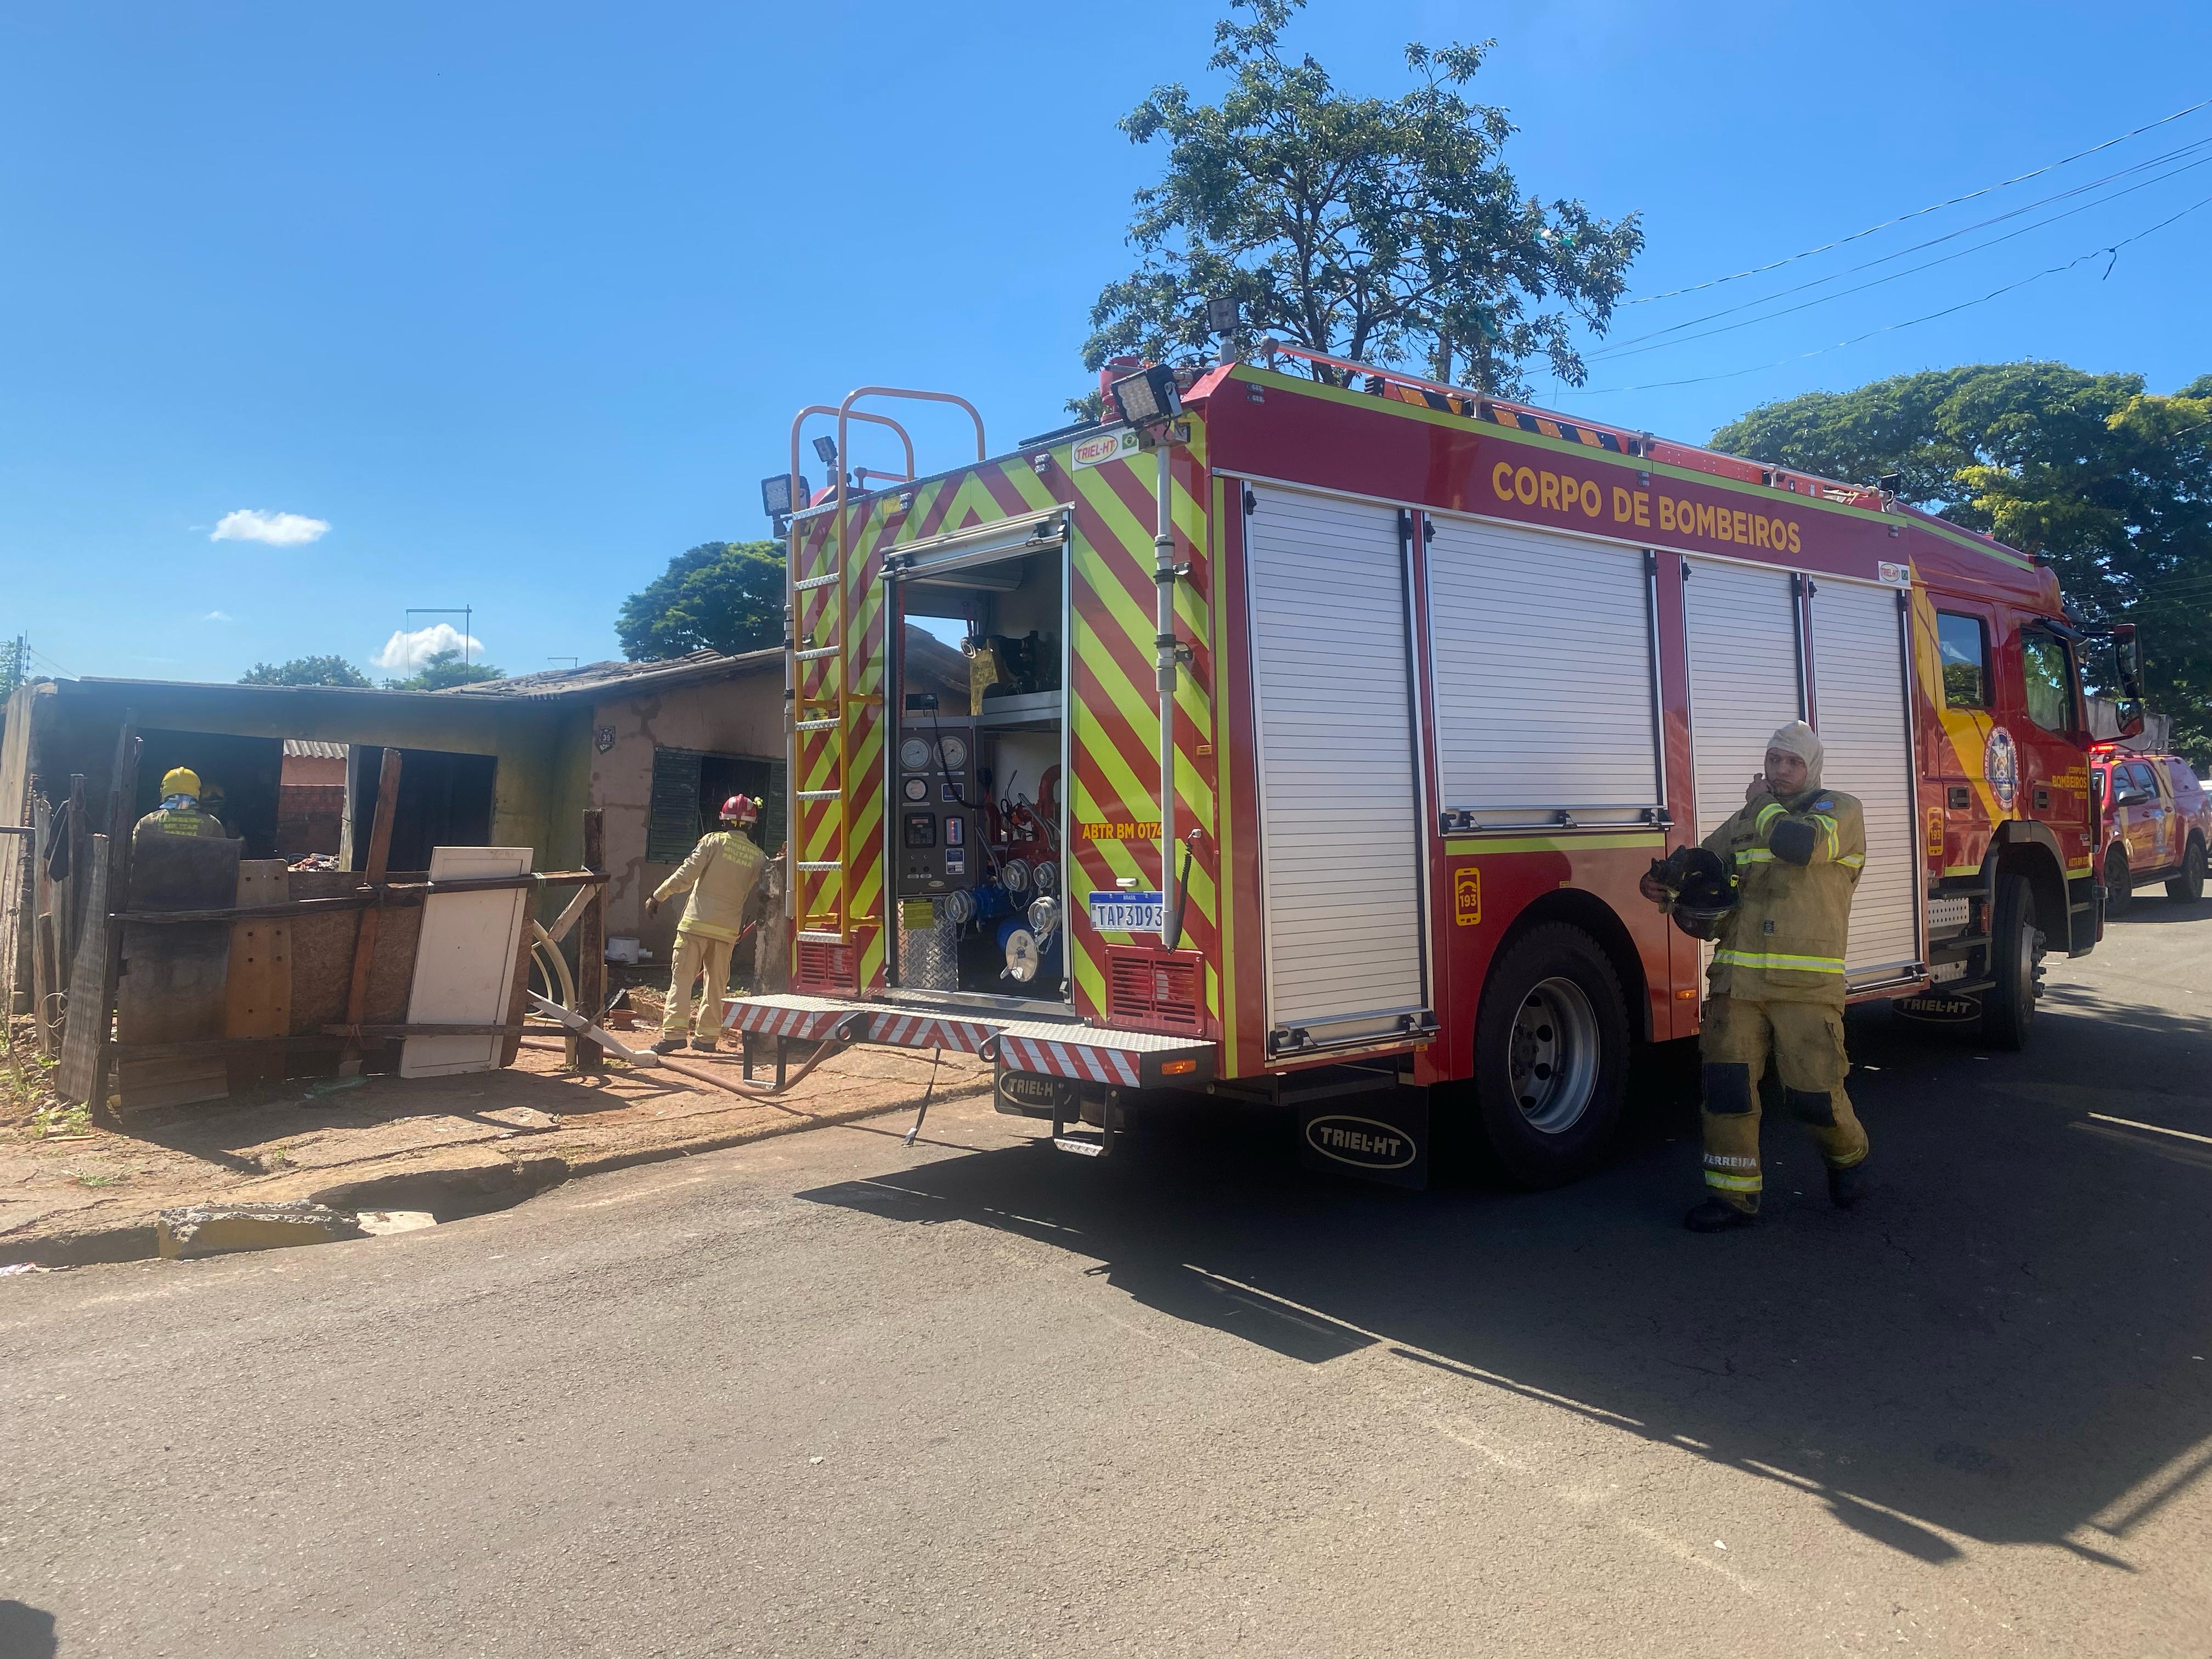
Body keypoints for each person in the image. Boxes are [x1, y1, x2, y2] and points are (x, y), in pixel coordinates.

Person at [1640, 720, 1871, 1232]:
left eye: (1792, 762)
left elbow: (1799, 845)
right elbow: (1704, 872)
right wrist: (1663, 885)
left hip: (1807, 991)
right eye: (1774, 761)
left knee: (1814, 1097)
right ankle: (1732, 1198)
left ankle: (1848, 1157)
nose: (1781, 771)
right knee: (1727, 1093)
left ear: (1812, 768)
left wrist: (1759, 803)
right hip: (1737, 986)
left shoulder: (1840, 810)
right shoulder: (1746, 821)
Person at [646, 794, 767, 1054]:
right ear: (751, 825)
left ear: (723, 819)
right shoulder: (759, 858)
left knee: (682, 980)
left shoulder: (713, 841)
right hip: (726, 933)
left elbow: (686, 875)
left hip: (695, 925)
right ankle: (707, 1039)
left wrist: (658, 896)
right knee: (717, 986)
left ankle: (674, 1035)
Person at [133, 767, 229, 844]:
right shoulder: (213, 825)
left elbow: (131, 854)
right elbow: (223, 859)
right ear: (198, 792)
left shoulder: (147, 823)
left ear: (164, 791)